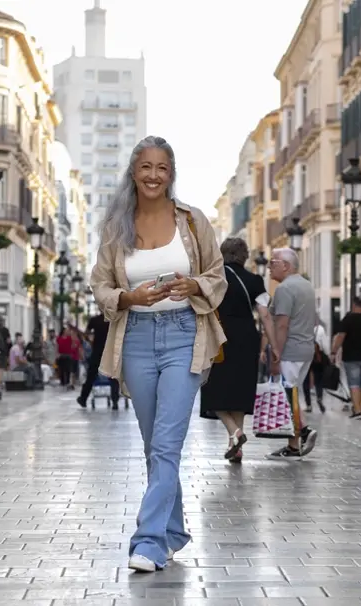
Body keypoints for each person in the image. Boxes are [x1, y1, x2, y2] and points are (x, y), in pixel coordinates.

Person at [89, 136, 227, 573]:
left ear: (171, 173)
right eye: (145, 166)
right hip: (136, 340)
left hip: (185, 335)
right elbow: (100, 286)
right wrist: (130, 298)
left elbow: (217, 276)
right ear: (133, 172)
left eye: (162, 167)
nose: (153, 175)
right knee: (154, 446)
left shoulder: (192, 220)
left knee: (167, 444)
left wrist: (193, 286)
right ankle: (173, 532)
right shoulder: (116, 228)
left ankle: (147, 541)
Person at [200, 237, 278, 463]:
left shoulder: (214, 278)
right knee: (240, 391)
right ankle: (236, 445)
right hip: (247, 338)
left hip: (219, 338)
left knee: (213, 390)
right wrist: (272, 344)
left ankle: (235, 433)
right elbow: (265, 315)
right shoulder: (255, 280)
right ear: (244, 256)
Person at [266, 248, 320, 457]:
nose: (269, 267)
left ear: (286, 266)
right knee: (292, 393)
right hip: (305, 348)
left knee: (288, 394)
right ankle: (293, 445)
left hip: (290, 350)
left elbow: (281, 325)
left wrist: (275, 353)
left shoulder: (284, 289)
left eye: (273, 262)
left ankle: (304, 431)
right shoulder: (307, 286)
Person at [331, 297, 361, 419]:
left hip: (351, 355)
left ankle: (357, 410)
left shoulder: (348, 319)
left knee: (353, 383)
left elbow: (341, 336)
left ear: (354, 305)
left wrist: (334, 352)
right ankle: (358, 407)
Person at [78, 312, 121, 409]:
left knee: (91, 375)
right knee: (113, 377)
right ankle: (115, 401)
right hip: (110, 350)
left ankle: (83, 398)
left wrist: (91, 341)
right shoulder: (113, 319)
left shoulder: (94, 320)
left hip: (97, 351)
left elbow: (86, 334)